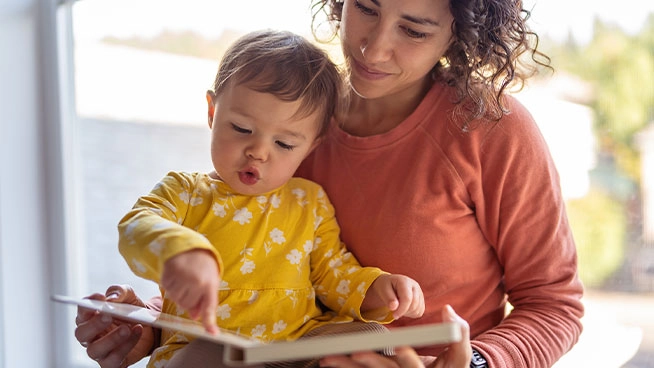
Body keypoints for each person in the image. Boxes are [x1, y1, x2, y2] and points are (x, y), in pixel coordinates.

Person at [74, 0, 585, 367]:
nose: (373, 46)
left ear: (458, 32)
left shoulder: (492, 129)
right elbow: (250, 267)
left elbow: (555, 306)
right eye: (365, 6)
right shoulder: (290, 120)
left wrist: (474, 362)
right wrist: (148, 327)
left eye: (413, 29)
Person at [92, 29, 426, 368]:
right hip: (210, 341)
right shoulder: (186, 192)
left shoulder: (309, 201)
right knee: (207, 357)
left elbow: (333, 273)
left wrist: (378, 289)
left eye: (284, 144)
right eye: (241, 128)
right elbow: (136, 225)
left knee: (374, 338)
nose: (258, 152)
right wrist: (179, 250)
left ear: (312, 145)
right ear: (212, 112)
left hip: (298, 341)